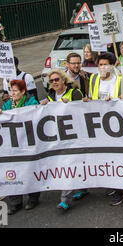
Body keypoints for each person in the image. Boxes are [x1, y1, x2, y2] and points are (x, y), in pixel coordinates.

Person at [40, 69, 85, 211]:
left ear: (64, 80)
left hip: (74, 136)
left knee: (69, 164)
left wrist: (70, 105)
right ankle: (81, 188)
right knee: (69, 164)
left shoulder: (74, 93)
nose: (54, 83)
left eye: (56, 80)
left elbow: (84, 111)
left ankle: (64, 200)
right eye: (51, 81)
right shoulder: (51, 97)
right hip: (58, 137)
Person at [88, 52, 123, 205]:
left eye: (106, 64)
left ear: (112, 66)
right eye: (100, 64)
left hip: (116, 125)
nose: (103, 67)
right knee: (104, 157)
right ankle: (113, 184)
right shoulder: (93, 79)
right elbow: (90, 98)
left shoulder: (121, 80)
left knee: (116, 157)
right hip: (98, 124)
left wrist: (114, 100)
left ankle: (121, 192)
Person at [0, 79, 40, 215]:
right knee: (12, 172)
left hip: (28, 142)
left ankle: (33, 197)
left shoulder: (31, 102)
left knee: (29, 169)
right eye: (11, 91)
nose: (12, 94)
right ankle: (15, 201)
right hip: (12, 144)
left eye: (15, 91)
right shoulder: (7, 105)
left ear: (23, 91)